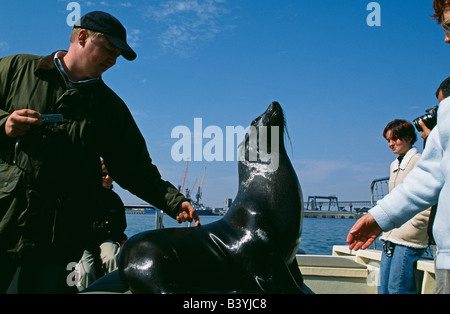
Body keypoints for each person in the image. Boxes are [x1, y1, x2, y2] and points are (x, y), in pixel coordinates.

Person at [0, 11, 200, 294]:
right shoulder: (15, 70)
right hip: (4, 221)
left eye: (118, 55)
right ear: (82, 37)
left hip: (60, 241)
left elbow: (134, 168)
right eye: (109, 49)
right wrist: (4, 124)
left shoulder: (110, 110)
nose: (114, 60)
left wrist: (173, 201)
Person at [347, 0, 450, 294]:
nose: (446, 38)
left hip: (408, 239)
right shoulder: (399, 164)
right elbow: (431, 177)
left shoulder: (417, 157)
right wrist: (380, 217)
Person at [378, 120, 430, 294]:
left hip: (409, 237)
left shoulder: (419, 161)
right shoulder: (394, 164)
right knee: (383, 287)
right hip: (391, 234)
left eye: (395, 139)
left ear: (408, 138)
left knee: (398, 288)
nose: (391, 144)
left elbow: (428, 197)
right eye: (388, 140)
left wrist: (417, 224)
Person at [76, 160, 127, 292]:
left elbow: (120, 226)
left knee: (112, 257)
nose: (108, 177)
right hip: (84, 241)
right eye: (104, 174)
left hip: (106, 239)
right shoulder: (83, 196)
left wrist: (118, 240)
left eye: (110, 174)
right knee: (85, 270)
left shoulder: (115, 200)